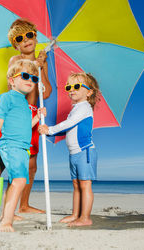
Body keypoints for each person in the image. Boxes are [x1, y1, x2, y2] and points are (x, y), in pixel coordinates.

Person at [0, 59, 46, 232]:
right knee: (20, 181)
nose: (30, 80)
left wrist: (37, 118)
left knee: (14, 182)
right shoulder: (7, 97)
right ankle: (6, 222)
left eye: (34, 78)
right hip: (11, 145)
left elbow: (26, 127)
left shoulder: (25, 104)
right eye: (25, 76)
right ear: (11, 80)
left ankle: (5, 215)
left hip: (23, 148)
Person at [39, 72, 100, 227]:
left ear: (89, 92)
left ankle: (85, 217)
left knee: (85, 184)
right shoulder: (75, 108)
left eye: (77, 86)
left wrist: (50, 130)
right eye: (69, 87)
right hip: (73, 153)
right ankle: (75, 214)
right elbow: (67, 129)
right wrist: (47, 132)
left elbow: (70, 123)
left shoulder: (85, 107)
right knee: (76, 184)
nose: (71, 90)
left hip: (84, 152)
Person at [7, 18, 52, 214]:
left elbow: (47, 91)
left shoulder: (42, 62)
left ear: (35, 36)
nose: (26, 39)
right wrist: (33, 64)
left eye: (29, 35)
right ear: (15, 45)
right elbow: (14, 88)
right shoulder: (15, 61)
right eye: (20, 38)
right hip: (19, 114)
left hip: (34, 114)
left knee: (32, 165)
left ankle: (24, 205)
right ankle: (9, 207)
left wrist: (40, 68)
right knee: (14, 163)